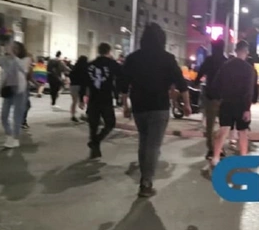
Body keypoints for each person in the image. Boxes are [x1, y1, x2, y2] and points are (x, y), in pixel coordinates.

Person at [121, 23, 191, 198]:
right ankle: (146, 182)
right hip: (159, 106)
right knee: (153, 145)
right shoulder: (167, 58)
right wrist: (187, 105)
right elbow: (182, 84)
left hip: (139, 106)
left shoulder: (133, 58)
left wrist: (125, 106)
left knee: (144, 142)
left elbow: (123, 84)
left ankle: (145, 177)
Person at [209, 40, 257, 169]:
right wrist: (247, 108)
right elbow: (249, 90)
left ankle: (215, 158)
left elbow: (216, 85)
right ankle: (243, 158)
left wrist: (219, 98)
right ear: (246, 52)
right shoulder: (249, 69)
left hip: (227, 102)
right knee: (243, 132)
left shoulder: (226, 66)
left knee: (223, 130)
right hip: (241, 104)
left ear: (235, 51)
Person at [82, 44, 122, 159]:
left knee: (93, 125)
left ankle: (94, 148)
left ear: (98, 51)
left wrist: (81, 98)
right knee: (110, 123)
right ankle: (96, 142)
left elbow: (84, 82)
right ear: (109, 51)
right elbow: (121, 75)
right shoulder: (112, 63)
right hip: (106, 98)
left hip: (93, 99)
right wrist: (118, 94)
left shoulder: (90, 64)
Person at [194, 39, 227, 160]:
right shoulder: (226, 61)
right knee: (223, 125)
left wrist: (196, 82)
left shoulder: (209, 60)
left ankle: (211, 148)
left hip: (210, 96)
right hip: (223, 97)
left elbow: (200, 73)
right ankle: (220, 148)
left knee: (210, 125)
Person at [0, 41, 32, 148]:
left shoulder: (26, 59)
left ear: (21, 49)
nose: (14, 49)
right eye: (12, 48)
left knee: (17, 116)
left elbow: (23, 69)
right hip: (8, 89)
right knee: (3, 116)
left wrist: (13, 56)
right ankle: (9, 135)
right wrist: (3, 52)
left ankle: (15, 139)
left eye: (16, 48)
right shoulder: (7, 60)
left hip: (20, 91)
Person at [69, 56, 89, 122]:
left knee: (74, 101)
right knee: (88, 99)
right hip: (83, 85)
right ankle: (87, 113)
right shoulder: (86, 68)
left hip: (73, 86)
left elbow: (70, 75)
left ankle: (73, 115)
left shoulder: (74, 67)